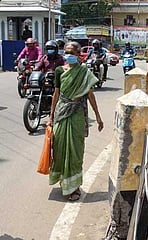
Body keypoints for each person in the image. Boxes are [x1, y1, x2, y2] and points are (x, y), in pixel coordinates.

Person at [47, 41, 104, 201]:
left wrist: (98, 116)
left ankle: (74, 186)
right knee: (60, 150)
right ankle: (65, 182)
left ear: (79, 55)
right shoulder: (59, 71)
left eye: (72, 52)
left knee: (75, 151)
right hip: (61, 114)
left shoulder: (84, 72)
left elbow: (90, 95)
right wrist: (50, 117)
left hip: (77, 114)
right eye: (66, 52)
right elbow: (56, 94)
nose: (69, 55)